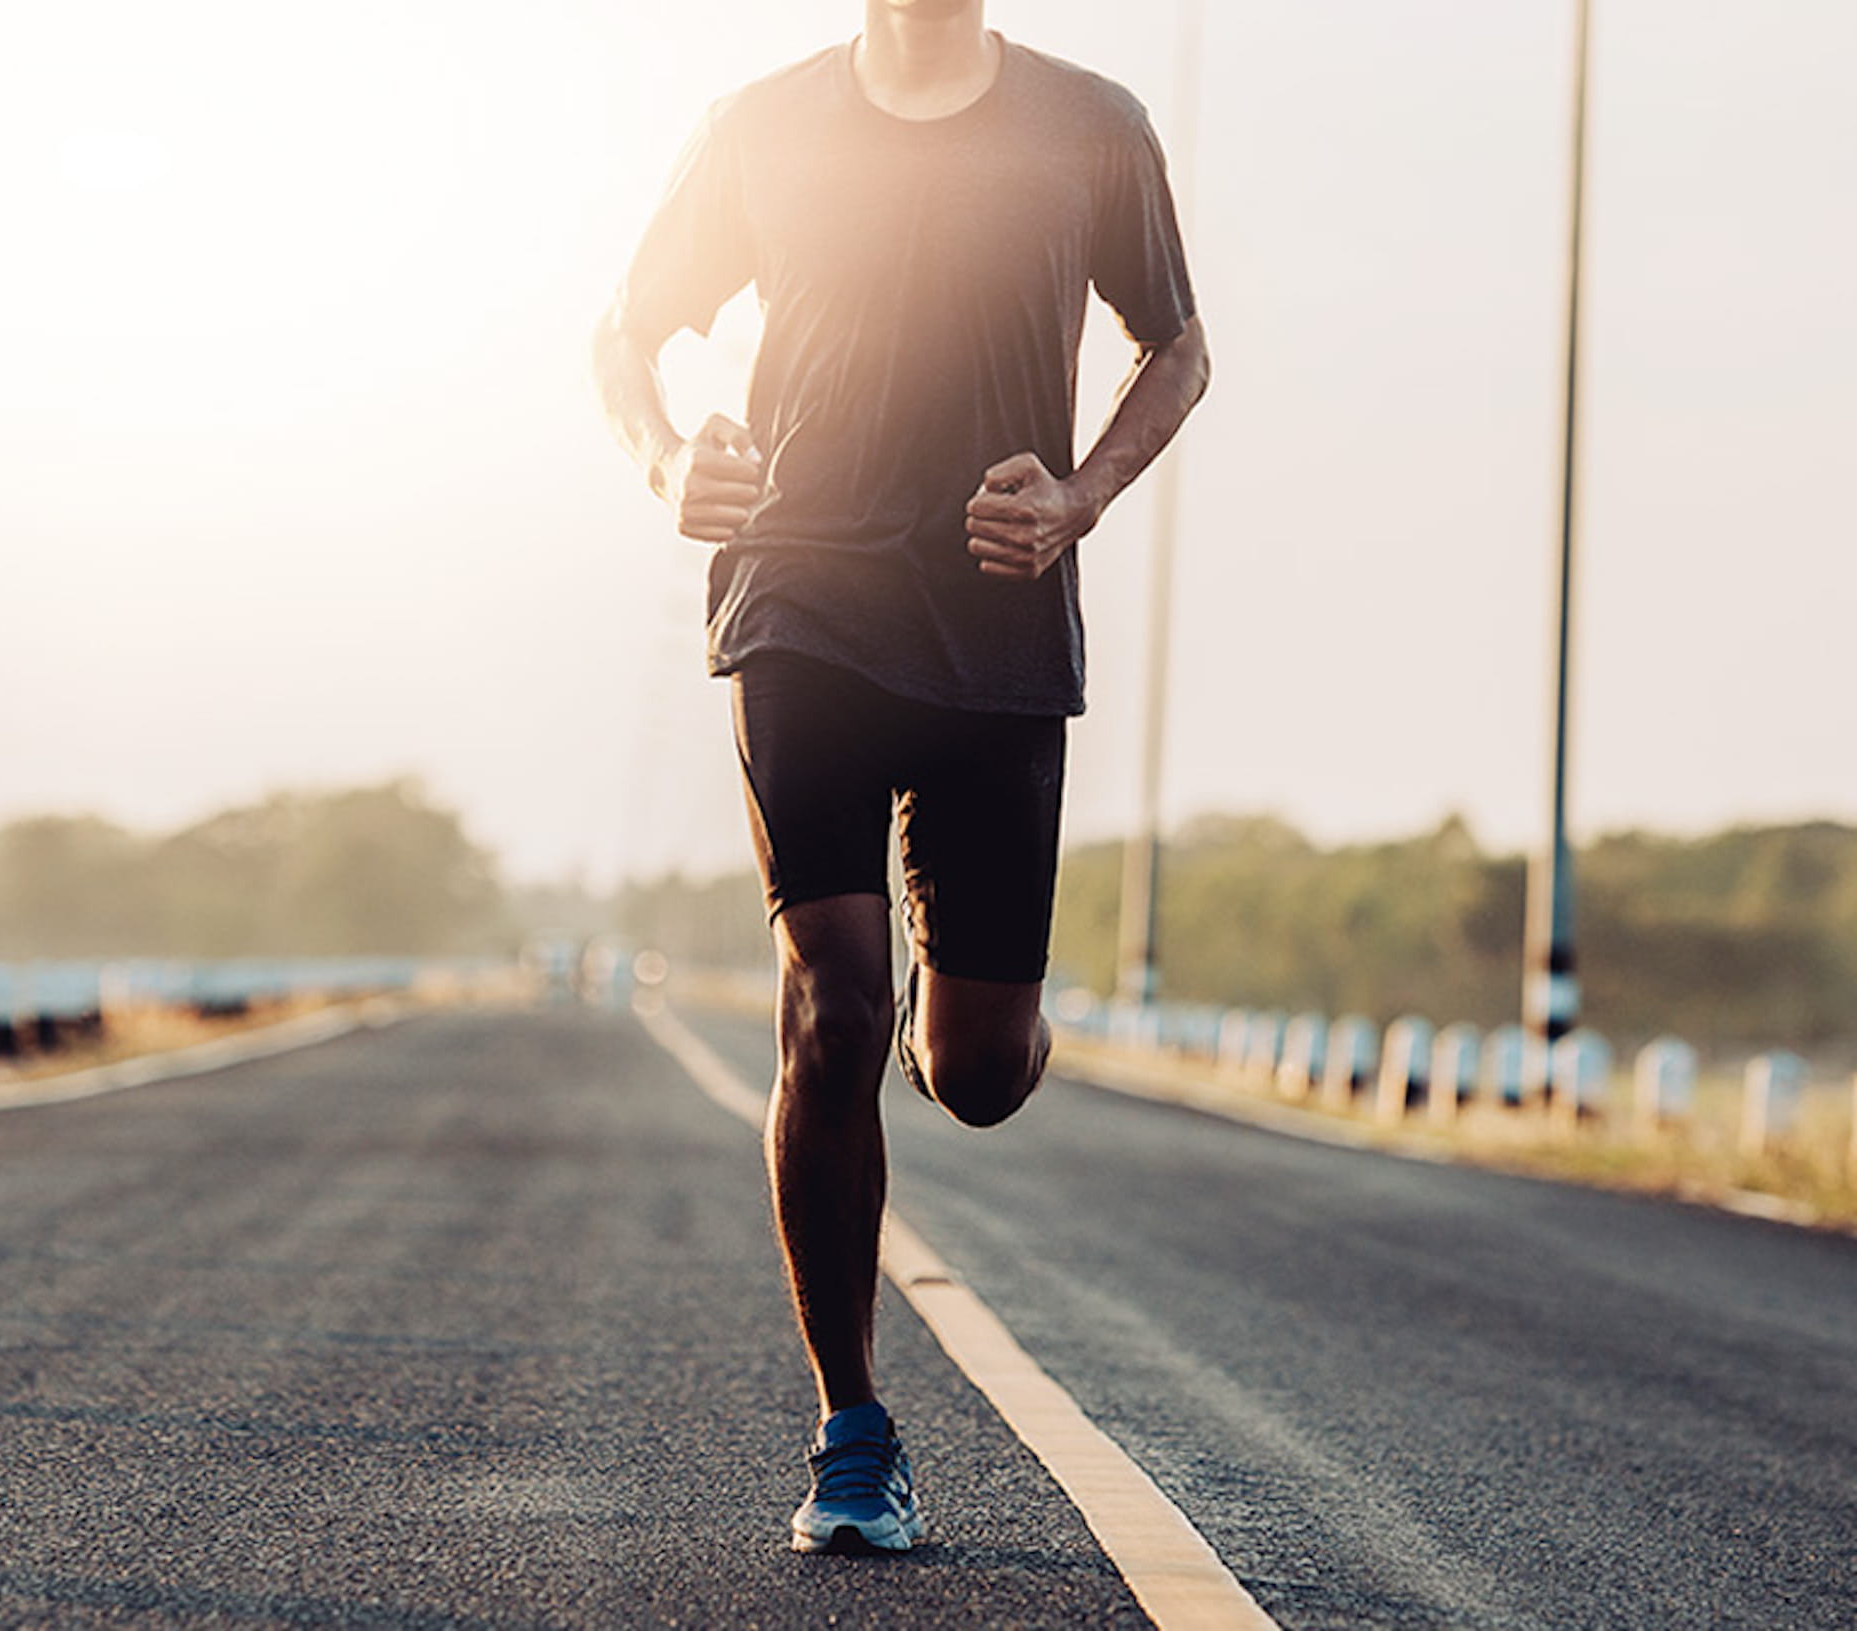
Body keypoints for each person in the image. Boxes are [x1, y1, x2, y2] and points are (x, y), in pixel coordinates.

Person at [592, 0, 1210, 1555]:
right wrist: (673, 461)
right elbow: (627, 331)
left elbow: (1178, 346)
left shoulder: (1091, 124)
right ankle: (852, 1433)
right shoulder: (763, 125)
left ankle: (967, 1021)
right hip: (798, 597)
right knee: (834, 996)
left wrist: (1076, 499)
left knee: (980, 1071)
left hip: (998, 616)